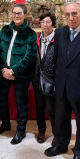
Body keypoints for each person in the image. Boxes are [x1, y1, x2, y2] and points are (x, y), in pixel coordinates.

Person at [44, 3, 80, 159]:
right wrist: (56, 81)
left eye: (74, 14)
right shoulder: (59, 32)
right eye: (68, 14)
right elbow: (57, 58)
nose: (71, 18)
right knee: (61, 118)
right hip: (61, 85)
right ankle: (60, 145)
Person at [0, 4, 38, 145]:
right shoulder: (5, 30)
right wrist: (3, 70)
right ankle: (5, 124)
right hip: (4, 72)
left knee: (21, 102)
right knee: (1, 98)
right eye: (14, 13)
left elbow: (29, 57)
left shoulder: (30, 34)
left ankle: (20, 130)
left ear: (25, 15)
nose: (16, 16)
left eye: (19, 13)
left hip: (21, 74)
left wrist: (13, 71)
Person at [33, 12, 57, 144]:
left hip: (51, 80)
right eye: (43, 22)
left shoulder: (58, 40)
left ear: (53, 24)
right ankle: (41, 131)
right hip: (37, 79)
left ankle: (56, 134)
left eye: (48, 22)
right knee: (40, 107)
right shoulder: (36, 38)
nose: (45, 25)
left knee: (52, 109)